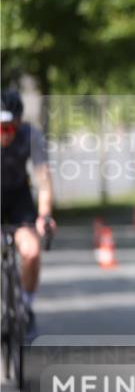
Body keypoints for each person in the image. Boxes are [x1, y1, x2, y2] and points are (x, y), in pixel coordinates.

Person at [1, 89, 55, 337]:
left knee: (31, 252)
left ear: (19, 123)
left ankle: (25, 305)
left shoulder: (31, 136)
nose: (4, 133)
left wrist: (44, 216)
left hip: (18, 197)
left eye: (9, 127)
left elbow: (43, 181)